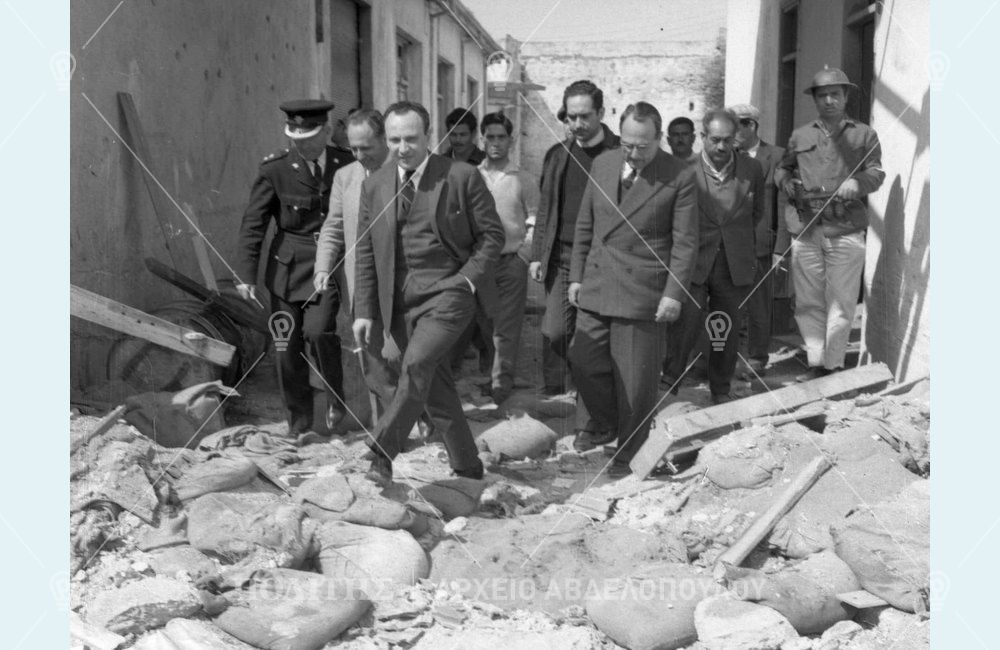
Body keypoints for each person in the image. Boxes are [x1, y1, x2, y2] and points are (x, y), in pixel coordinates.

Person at [352, 101, 505, 485]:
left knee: (417, 365)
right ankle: (468, 467)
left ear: (429, 136)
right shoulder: (374, 185)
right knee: (436, 389)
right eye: (395, 140)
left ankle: (380, 452)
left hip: (448, 295)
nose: (403, 148)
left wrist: (467, 279)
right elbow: (367, 251)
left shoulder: (461, 176)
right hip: (400, 304)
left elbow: (492, 235)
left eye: (411, 138)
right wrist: (365, 310)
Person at [567, 102, 698, 469]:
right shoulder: (603, 163)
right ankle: (604, 423)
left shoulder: (680, 175)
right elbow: (585, 225)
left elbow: (685, 243)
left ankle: (630, 454)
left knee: (636, 381)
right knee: (583, 360)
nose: (634, 153)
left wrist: (674, 294)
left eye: (643, 146)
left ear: (660, 139)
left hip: (644, 290)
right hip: (597, 280)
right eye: (627, 144)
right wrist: (576, 275)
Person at [235, 99, 354, 439]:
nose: (300, 143)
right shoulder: (274, 169)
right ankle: (299, 424)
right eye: (294, 136)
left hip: (327, 265)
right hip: (286, 270)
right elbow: (253, 224)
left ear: (327, 131)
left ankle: (335, 396)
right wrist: (246, 274)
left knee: (318, 332)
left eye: (309, 136)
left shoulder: (345, 165)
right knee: (286, 349)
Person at [773, 67, 884, 379]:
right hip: (806, 229)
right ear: (816, 99)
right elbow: (782, 170)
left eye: (836, 94)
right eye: (823, 95)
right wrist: (788, 184)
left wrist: (859, 183)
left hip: (845, 229)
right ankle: (815, 362)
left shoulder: (864, 134)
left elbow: (877, 172)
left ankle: (832, 366)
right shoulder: (800, 135)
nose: (830, 100)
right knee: (808, 302)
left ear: (845, 97)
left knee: (842, 302)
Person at [529, 79, 620, 444]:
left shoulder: (618, 153)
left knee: (591, 344)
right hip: (563, 258)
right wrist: (538, 254)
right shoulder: (557, 155)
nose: (577, 123)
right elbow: (546, 209)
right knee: (555, 333)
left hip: (604, 261)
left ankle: (594, 419)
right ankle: (594, 398)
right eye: (570, 116)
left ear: (601, 113)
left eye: (585, 116)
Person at [666, 109, 764, 404]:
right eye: (715, 140)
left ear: (737, 138)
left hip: (733, 263)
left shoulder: (752, 169)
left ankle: (720, 389)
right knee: (684, 324)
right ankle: (668, 384)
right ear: (703, 138)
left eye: (728, 140)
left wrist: (753, 255)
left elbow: (757, 214)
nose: (721, 147)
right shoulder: (684, 169)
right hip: (694, 261)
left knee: (726, 328)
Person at [314, 108, 398, 418]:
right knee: (371, 360)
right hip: (360, 283)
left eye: (367, 148)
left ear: (385, 141)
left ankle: (421, 414)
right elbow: (333, 226)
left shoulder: (406, 173)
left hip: (401, 282)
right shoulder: (344, 177)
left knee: (405, 356)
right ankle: (388, 428)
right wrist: (323, 266)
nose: (359, 155)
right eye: (353, 148)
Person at [477, 111, 539, 405]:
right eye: (490, 136)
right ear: (483, 139)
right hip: (480, 262)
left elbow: (535, 222)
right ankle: (491, 374)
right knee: (485, 321)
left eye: (502, 137)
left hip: (511, 260)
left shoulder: (522, 179)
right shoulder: (472, 176)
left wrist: (523, 257)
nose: (496, 143)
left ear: (511, 141)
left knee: (508, 324)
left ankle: (502, 383)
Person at [729, 103, 786, 378]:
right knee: (728, 301)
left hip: (761, 244)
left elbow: (786, 205)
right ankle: (727, 355)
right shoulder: (726, 156)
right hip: (728, 243)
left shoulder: (776, 156)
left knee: (758, 305)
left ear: (750, 125)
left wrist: (780, 248)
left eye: (736, 126)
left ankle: (757, 358)